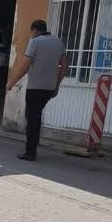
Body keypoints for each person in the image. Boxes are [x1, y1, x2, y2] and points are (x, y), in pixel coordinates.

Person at [6, 19, 67, 161]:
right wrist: (57, 86)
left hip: (35, 88)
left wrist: (11, 83)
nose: (31, 35)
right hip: (49, 88)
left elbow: (25, 66)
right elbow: (64, 67)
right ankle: (34, 143)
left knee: (32, 118)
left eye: (31, 32)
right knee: (36, 116)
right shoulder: (59, 43)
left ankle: (30, 152)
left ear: (34, 30)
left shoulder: (35, 42)